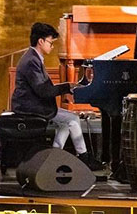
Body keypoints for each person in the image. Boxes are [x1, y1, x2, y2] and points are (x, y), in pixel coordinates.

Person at [11, 22, 103, 170]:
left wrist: (68, 86)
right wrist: (67, 87)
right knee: (72, 119)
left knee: (68, 121)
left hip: (33, 104)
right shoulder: (31, 61)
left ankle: (54, 157)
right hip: (30, 107)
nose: (52, 47)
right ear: (41, 41)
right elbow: (43, 91)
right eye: (50, 43)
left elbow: (44, 89)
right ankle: (84, 157)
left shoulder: (33, 58)